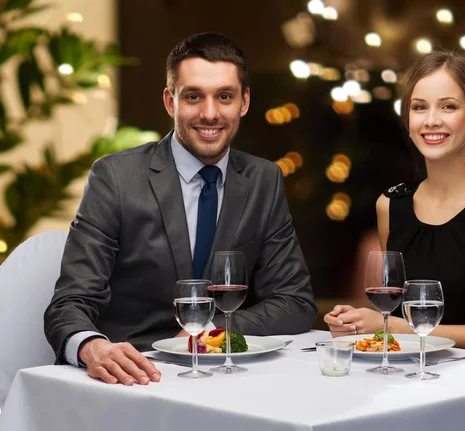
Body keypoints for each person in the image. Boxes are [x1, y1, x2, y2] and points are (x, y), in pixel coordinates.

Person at [44, 32, 318, 385]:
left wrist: (208, 332)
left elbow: (294, 302)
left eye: (224, 96)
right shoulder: (115, 177)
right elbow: (69, 304)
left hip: (231, 376)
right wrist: (92, 347)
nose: (210, 113)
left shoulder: (264, 179)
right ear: (170, 102)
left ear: (244, 101)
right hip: (134, 376)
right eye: (193, 97)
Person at [325, 51, 465, 355]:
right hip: (411, 373)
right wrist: (354, 323)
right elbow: (393, 311)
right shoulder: (390, 205)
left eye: (448, 106)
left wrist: (387, 326)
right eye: (420, 107)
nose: (432, 120)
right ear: (408, 120)